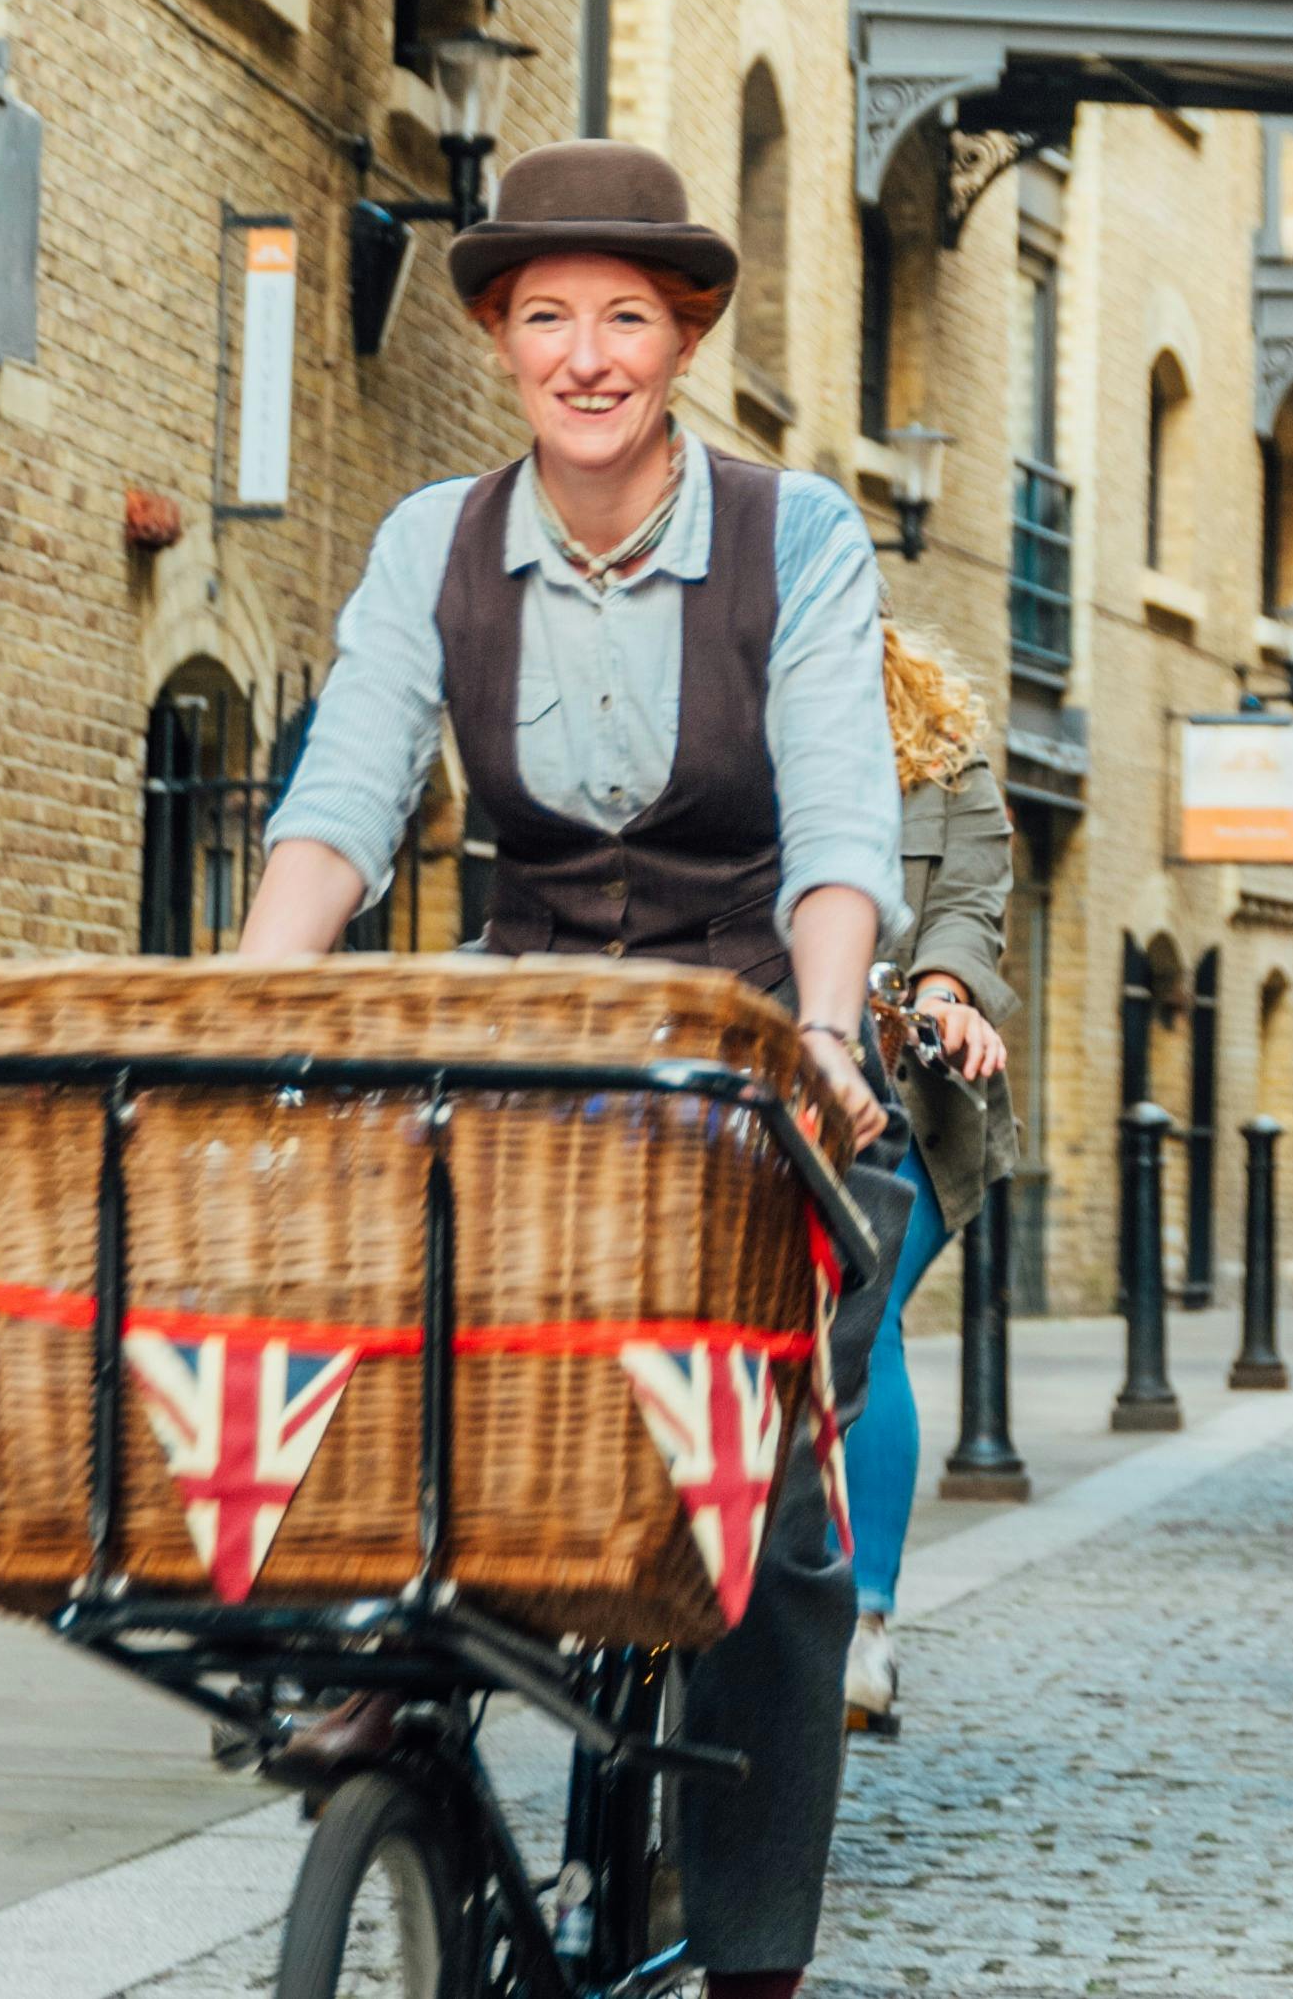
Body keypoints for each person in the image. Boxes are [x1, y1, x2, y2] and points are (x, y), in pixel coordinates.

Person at [238, 139, 902, 1999]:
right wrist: (250, 995)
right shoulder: (432, 544)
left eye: (627, 316)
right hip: (526, 1045)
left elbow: (845, 814)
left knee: (767, 1510)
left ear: (684, 339)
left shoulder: (797, 535)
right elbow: (344, 796)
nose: (588, 354)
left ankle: (754, 1950)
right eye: (550, 318)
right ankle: (388, 1657)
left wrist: (829, 1031)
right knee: (380, 1310)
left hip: (750, 1057)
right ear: (500, 340)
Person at [842, 621, 1016, 1738]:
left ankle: (863, 1621)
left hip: (897, 1084)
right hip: (729, 1072)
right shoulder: (714, 711)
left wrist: (945, 995)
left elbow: (967, 902)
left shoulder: (945, 752)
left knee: (863, 1313)